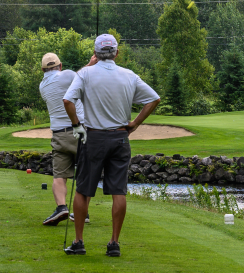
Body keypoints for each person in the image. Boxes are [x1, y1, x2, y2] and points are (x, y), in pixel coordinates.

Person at [62, 34, 160, 257]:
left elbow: (68, 100)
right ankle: (114, 243)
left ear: (95, 54)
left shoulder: (84, 74)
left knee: (83, 188)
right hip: (120, 139)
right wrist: (134, 123)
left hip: (93, 138)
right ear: (117, 53)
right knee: (118, 190)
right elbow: (154, 99)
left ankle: (79, 241)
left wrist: (76, 125)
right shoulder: (129, 75)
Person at [38, 52, 86, 226]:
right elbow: (82, 77)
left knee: (59, 175)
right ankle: (83, 213)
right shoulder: (67, 74)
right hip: (80, 130)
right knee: (84, 174)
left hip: (58, 134)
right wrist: (90, 62)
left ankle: (61, 207)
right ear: (60, 65)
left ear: (43, 69)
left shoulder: (42, 86)